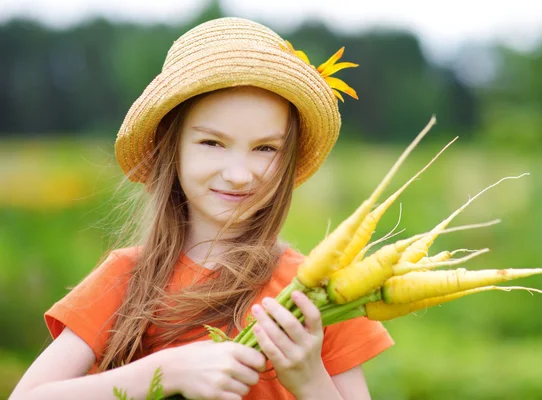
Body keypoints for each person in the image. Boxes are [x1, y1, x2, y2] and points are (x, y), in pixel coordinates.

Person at [10, 17, 394, 400]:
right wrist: (164, 372)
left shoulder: (315, 295)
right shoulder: (127, 279)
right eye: (212, 143)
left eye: (265, 148)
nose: (239, 174)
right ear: (170, 146)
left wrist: (310, 380)